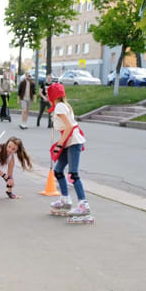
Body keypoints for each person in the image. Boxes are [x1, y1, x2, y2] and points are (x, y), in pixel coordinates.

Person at [47, 83, 93, 224]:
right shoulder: (62, 106)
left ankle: (83, 205)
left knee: (73, 174)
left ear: (52, 95)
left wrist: (59, 143)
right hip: (69, 140)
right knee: (58, 170)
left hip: (72, 141)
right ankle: (65, 199)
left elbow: (69, 126)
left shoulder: (60, 107)